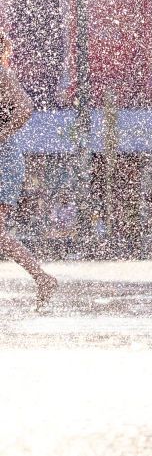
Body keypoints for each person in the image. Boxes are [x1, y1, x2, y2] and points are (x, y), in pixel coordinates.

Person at [0, 30, 57, 306]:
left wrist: (1, 134)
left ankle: (42, 277)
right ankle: (42, 277)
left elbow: (24, 107)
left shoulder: (1, 73)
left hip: (3, 159)